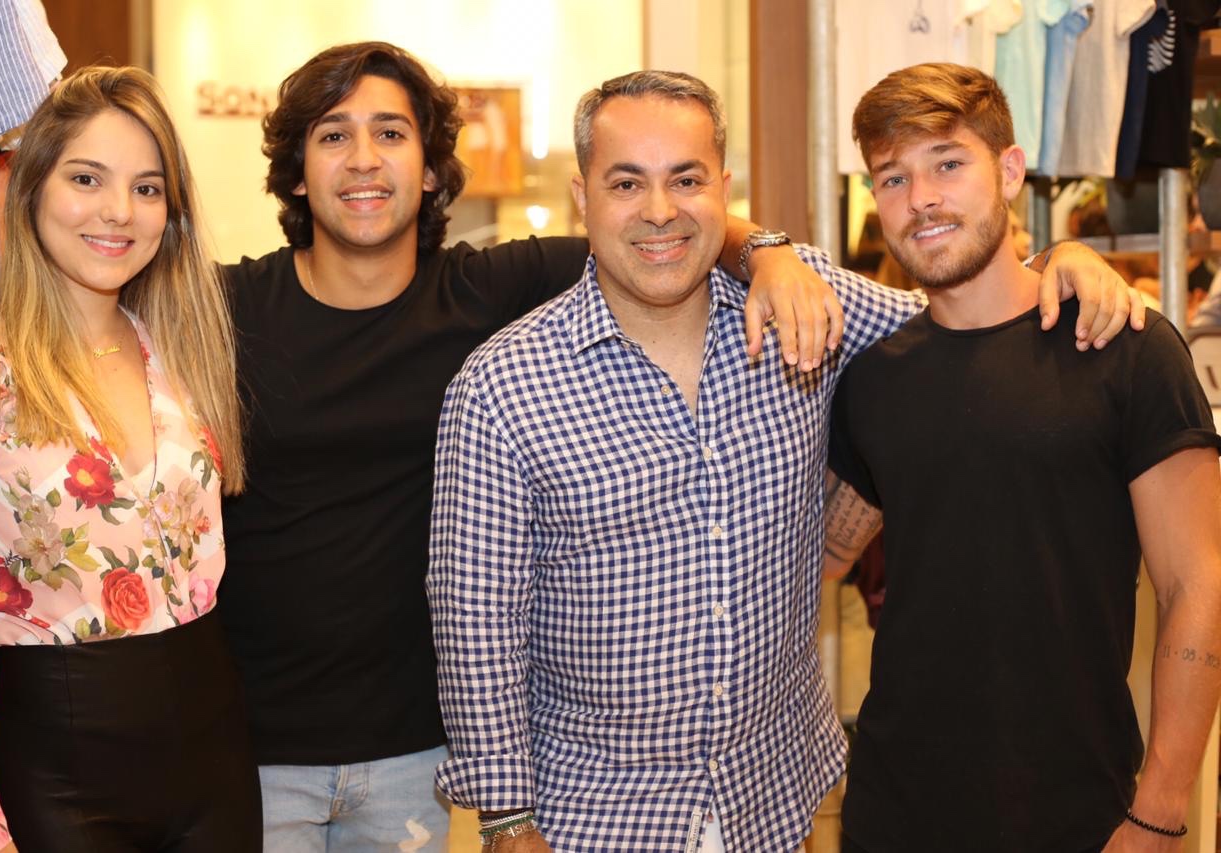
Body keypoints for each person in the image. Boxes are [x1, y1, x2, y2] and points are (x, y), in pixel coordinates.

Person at [425, 69, 1143, 853]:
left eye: (686, 179)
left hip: (770, 801)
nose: (660, 210)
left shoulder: (809, 313)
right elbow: (476, 624)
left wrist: (1061, 260)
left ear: (724, 190)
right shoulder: (502, 386)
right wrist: (507, 822)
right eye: (626, 183)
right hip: (592, 817)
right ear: (582, 196)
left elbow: (962, 315)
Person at [216, 40, 868, 853]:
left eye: (390, 133)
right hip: (255, 745)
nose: (363, 160)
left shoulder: (489, 289)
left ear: (430, 167)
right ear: (296, 169)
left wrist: (771, 253)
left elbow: (659, 224)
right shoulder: (225, 310)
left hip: (411, 747)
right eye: (333, 135)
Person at [824, 62, 1221, 853]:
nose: (921, 198)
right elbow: (821, 562)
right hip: (891, 813)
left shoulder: (1123, 347)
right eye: (893, 177)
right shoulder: (871, 378)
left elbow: (1199, 584)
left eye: (948, 163)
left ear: (1009, 171)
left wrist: (1160, 808)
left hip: (1077, 815)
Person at [0, 66, 259, 852]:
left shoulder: (184, 352)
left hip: (214, 763)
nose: (119, 210)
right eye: (87, 178)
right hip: (53, 777)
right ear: (31, 187)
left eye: (148, 188)